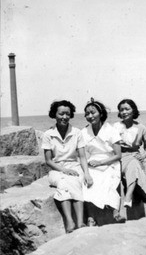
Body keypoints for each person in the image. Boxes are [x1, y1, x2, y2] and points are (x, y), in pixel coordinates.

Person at [41, 100, 93, 233]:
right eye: (61, 114)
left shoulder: (76, 132)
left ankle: (79, 222)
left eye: (67, 114)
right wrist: (64, 170)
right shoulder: (48, 134)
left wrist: (86, 173)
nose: (64, 117)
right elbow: (48, 161)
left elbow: (82, 156)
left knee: (76, 179)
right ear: (54, 114)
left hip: (74, 166)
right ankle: (70, 221)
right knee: (64, 181)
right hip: (56, 169)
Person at [82, 98, 126, 225]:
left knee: (110, 179)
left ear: (101, 113)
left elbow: (118, 155)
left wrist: (101, 163)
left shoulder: (111, 130)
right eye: (87, 114)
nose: (90, 116)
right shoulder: (84, 132)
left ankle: (115, 213)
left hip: (110, 161)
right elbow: (82, 155)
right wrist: (86, 171)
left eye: (93, 112)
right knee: (88, 181)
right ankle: (91, 217)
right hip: (92, 162)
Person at [113, 99, 146, 215]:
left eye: (127, 109)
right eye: (121, 110)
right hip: (119, 157)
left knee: (135, 164)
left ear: (133, 110)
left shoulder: (141, 128)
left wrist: (143, 156)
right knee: (136, 169)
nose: (124, 112)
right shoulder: (116, 126)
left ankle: (128, 197)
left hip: (134, 156)